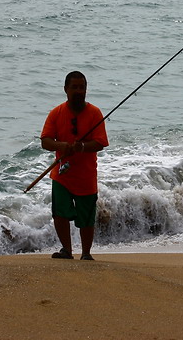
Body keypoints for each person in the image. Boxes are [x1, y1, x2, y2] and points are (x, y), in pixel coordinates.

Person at [40, 71, 108, 260]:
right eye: (74, 87)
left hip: (86, 175)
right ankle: (67, 251)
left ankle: (86, 253)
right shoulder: (56, 112)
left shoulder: (95, 113)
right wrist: (62, 146)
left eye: (82, 87)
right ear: (65, 89)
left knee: (86, 217)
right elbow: (45, 141)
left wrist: (83, 147)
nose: (79, 91)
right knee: (59, 213)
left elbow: (101, 143)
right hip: (62, 174)